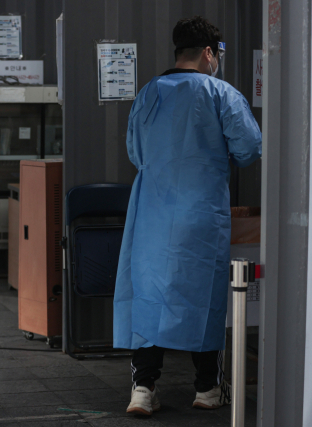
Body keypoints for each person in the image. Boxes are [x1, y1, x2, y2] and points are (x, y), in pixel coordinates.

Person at [113, 16, 262, 416]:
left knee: (147, 292)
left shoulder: (148, 94)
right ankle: (208, 389)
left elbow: (134, 151)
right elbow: (249, 149)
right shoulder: (221, 94)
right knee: (207, 296)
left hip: (151, 212)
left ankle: (143, 389)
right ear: (210, 53)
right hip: (201, 212)